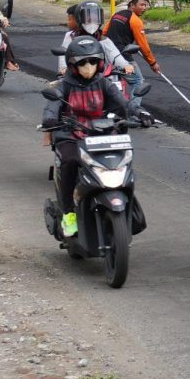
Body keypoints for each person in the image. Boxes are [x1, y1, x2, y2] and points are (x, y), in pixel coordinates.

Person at [41, 36, 129, 238]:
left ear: (99, 62)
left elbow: (123, 104)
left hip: (101, 134)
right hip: (70, 135)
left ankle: (129, 206)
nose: (87, 66)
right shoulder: (64, 85)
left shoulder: (104, 84)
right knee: (70, 161)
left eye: (92, 61)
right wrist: (50, 119)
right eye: (82, 62)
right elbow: (52, 106)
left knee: (122, 160)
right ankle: (69, 214)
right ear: (72, 65)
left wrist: (139, 114)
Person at [106, 0, 160, 118]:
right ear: (131, 5)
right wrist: (152, 63)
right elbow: (144, 46)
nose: (144, 8)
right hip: (123, 55)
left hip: (108, 53)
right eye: (141, 5)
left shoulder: (116, 15)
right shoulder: (135, 20)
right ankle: (133, 110)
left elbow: (105, 31)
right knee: (138, 82)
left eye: (146, 5)